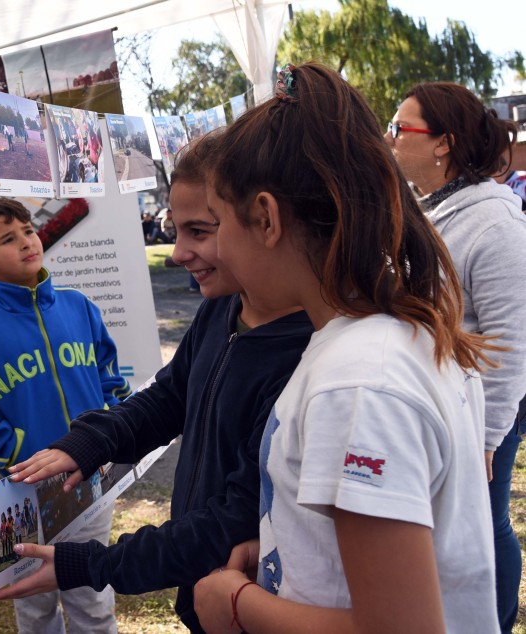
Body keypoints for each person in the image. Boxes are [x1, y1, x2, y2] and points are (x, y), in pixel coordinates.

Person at [183, 63, 498, 633]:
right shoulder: (390, 337)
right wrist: (284, 548)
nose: (217, 249)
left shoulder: (357, 383)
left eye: (218, 223)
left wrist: (236, 603)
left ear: (266, 218)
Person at [0, 135, 313, 632]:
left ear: (263, 221)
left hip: (255, 602)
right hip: (206, 596)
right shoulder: (222, 308)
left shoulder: (305, 356)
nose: (177, 253)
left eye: (201, 230)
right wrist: (91, 441)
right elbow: (170, 397)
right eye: (176, 230)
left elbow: (234, 516)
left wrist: (94, 563)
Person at [0, 197, 132, 633]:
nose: (27, 242)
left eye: (28, 231)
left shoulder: (77, 305)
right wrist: (13, 449)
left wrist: (111, 430)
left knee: (92, 597)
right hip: (22, 490)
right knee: (35, 606)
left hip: (88, 478)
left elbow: (109, 374)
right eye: (9, 239)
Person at [385, 82, 526, 634]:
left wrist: (487, 437)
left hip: (481, 413)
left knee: (485, 526)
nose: (390, 138)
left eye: (400, 128)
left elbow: (511, 342)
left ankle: (494, 621)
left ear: (442, 143)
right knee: (447, 529)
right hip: (436, 405)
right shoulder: (429, 209)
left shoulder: (495, 226)